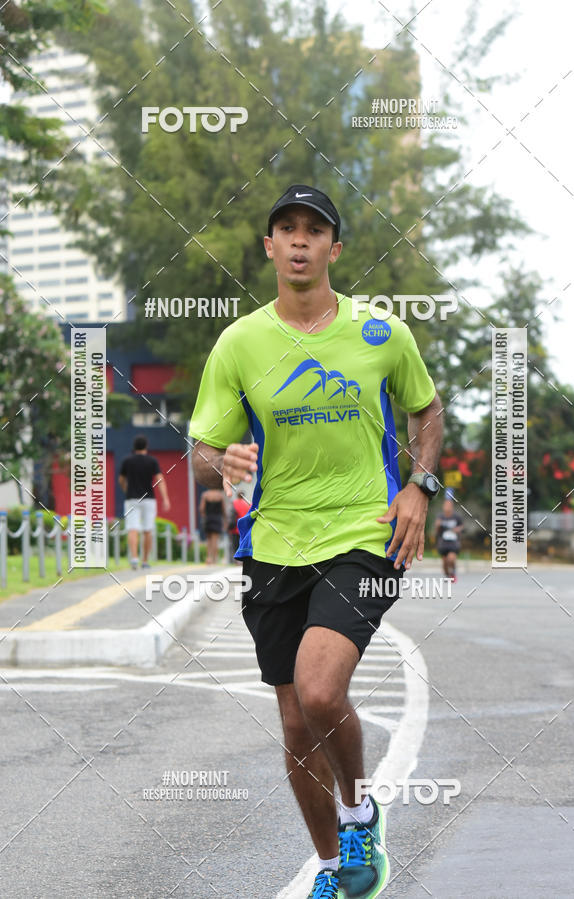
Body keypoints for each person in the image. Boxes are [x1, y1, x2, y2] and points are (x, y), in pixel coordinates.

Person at [189, 184, 443, 899]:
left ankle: (359, 812)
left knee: (322, 689)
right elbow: (204, 448)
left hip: (364, 533)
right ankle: (335, 868)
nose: (299, 241)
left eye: (314, 229)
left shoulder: (381, 335)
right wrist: (224, 460)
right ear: (269, 247)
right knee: (297, 726)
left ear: (335, 248)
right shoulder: (240, 342)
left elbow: (427, 409)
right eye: (286, 229)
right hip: (271, 545)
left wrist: (419, 485)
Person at [118, 435, 170, 570]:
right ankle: (145, 560)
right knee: (147, 530)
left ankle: (134, 559)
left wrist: (126, 490)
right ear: (146, 446)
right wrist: (165, 498)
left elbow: (121, 480)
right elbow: (160, 479)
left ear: (134, 447)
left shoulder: (127, 461)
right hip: (148, 499)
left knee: (132, 529)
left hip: (132, 498)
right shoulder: (152, 461)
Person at [435, 496, 463, 582]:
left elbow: (462, 526)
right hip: (443, 543)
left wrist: (457, 529)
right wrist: (438, 525)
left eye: (449, 505)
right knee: (445, 564)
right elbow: (437, 530)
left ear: (452, 507)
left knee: (451, 558)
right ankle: (448, 575)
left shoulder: (456, 517)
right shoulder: (441, 517)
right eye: (445, 505)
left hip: (453, 543)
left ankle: (453, 572)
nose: (447, 507)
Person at [199, 488, 226, 564]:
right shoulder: (220, 495)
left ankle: (209, 558)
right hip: (217, 518)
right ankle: (214, 559)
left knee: (209, 540)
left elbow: (202, 508)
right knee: (215, 540)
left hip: (208, 518)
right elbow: (223, 509)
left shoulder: (205, 495)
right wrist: (224, 520)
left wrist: (204, 516)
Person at [227, 490, 251, 562]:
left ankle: (237, 561)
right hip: (246, 529)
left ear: (237, 495)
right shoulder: (248, 503)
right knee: (244, 545)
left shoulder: (234, 503)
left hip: (235, 528)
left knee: (235, 545)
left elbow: (231, 516)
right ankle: (244, 560)